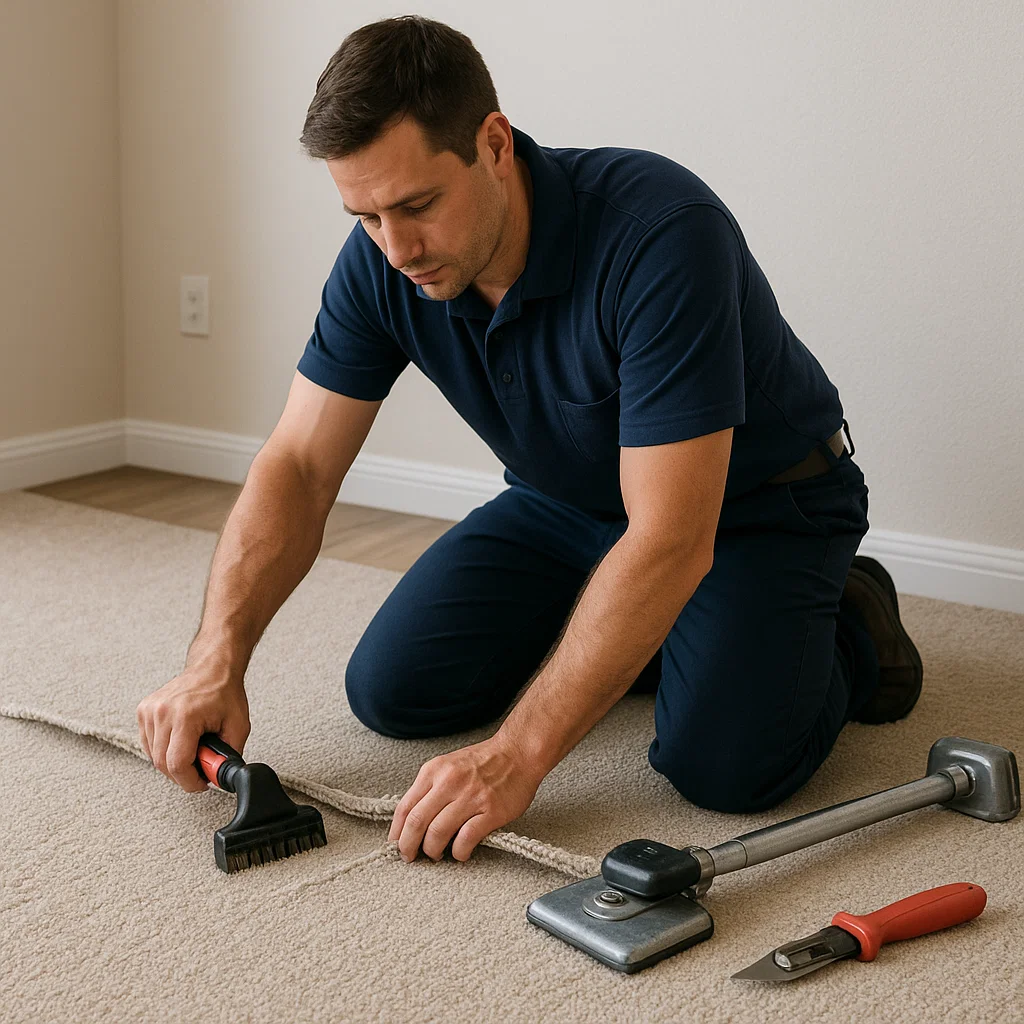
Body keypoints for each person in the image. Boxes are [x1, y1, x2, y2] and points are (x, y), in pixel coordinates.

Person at [136, 15, 924, 867]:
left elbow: (671, 535)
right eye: (364, 215)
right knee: (392, 692)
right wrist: (215, 657)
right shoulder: (383, 260)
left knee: (722, 765)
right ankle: (659, 636)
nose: (396, 249)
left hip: (757, 507)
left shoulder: (660, 235)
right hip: (568, 503)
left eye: (417, 205)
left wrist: (515, 759)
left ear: (495, 143)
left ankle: (847, 616)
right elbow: (297, 464)